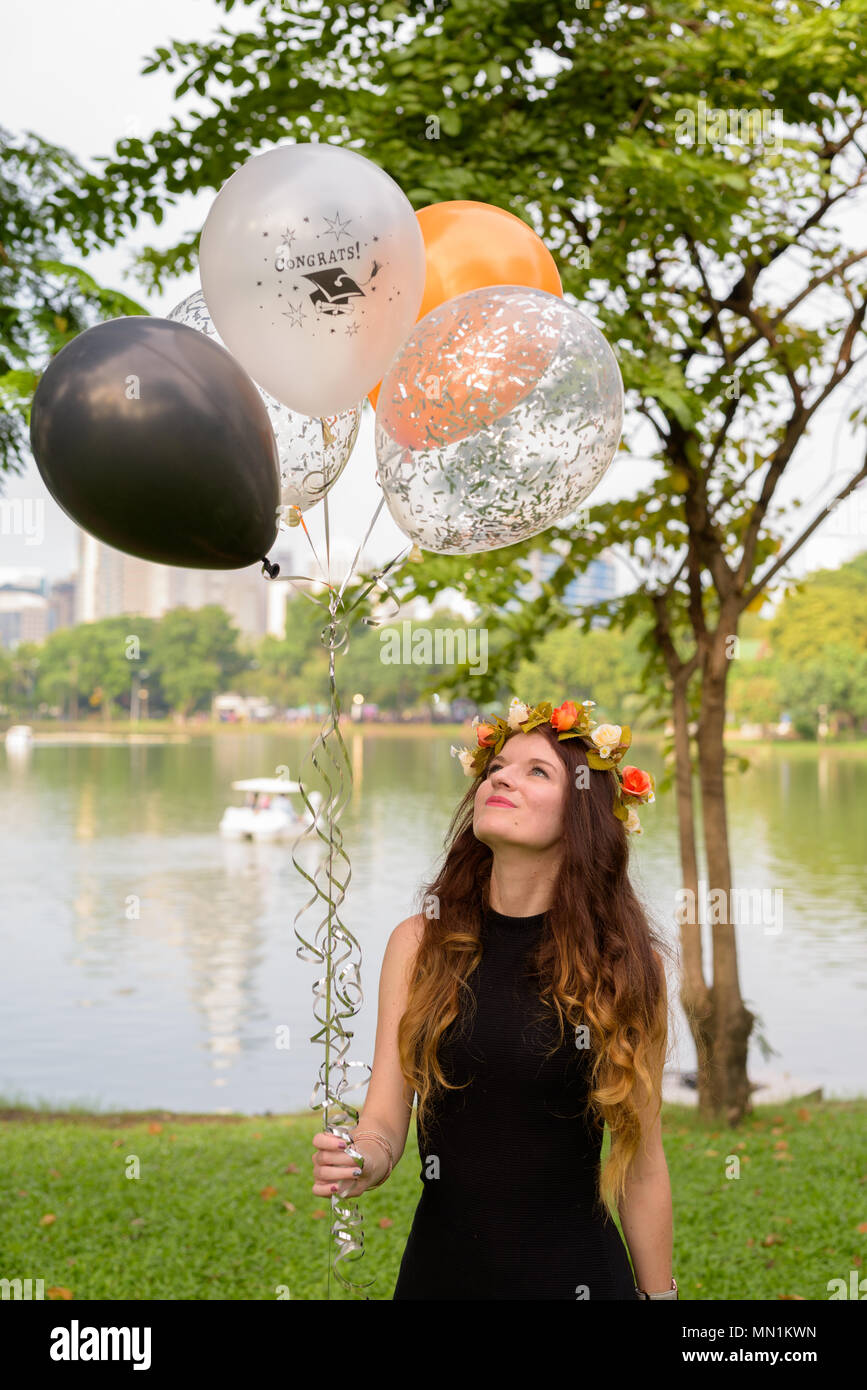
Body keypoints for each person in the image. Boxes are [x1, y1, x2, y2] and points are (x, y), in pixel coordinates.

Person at [311, 695, 678, 1300]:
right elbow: (382, 1122)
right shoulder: (420, 944)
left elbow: (641, 1164)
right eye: (496, 768)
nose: (502, 777)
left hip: (577, 1278)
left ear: (584, 813)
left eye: (537, 770)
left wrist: (662, 1301)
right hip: (440, 1278)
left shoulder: (625, 967)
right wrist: (361, 1159)